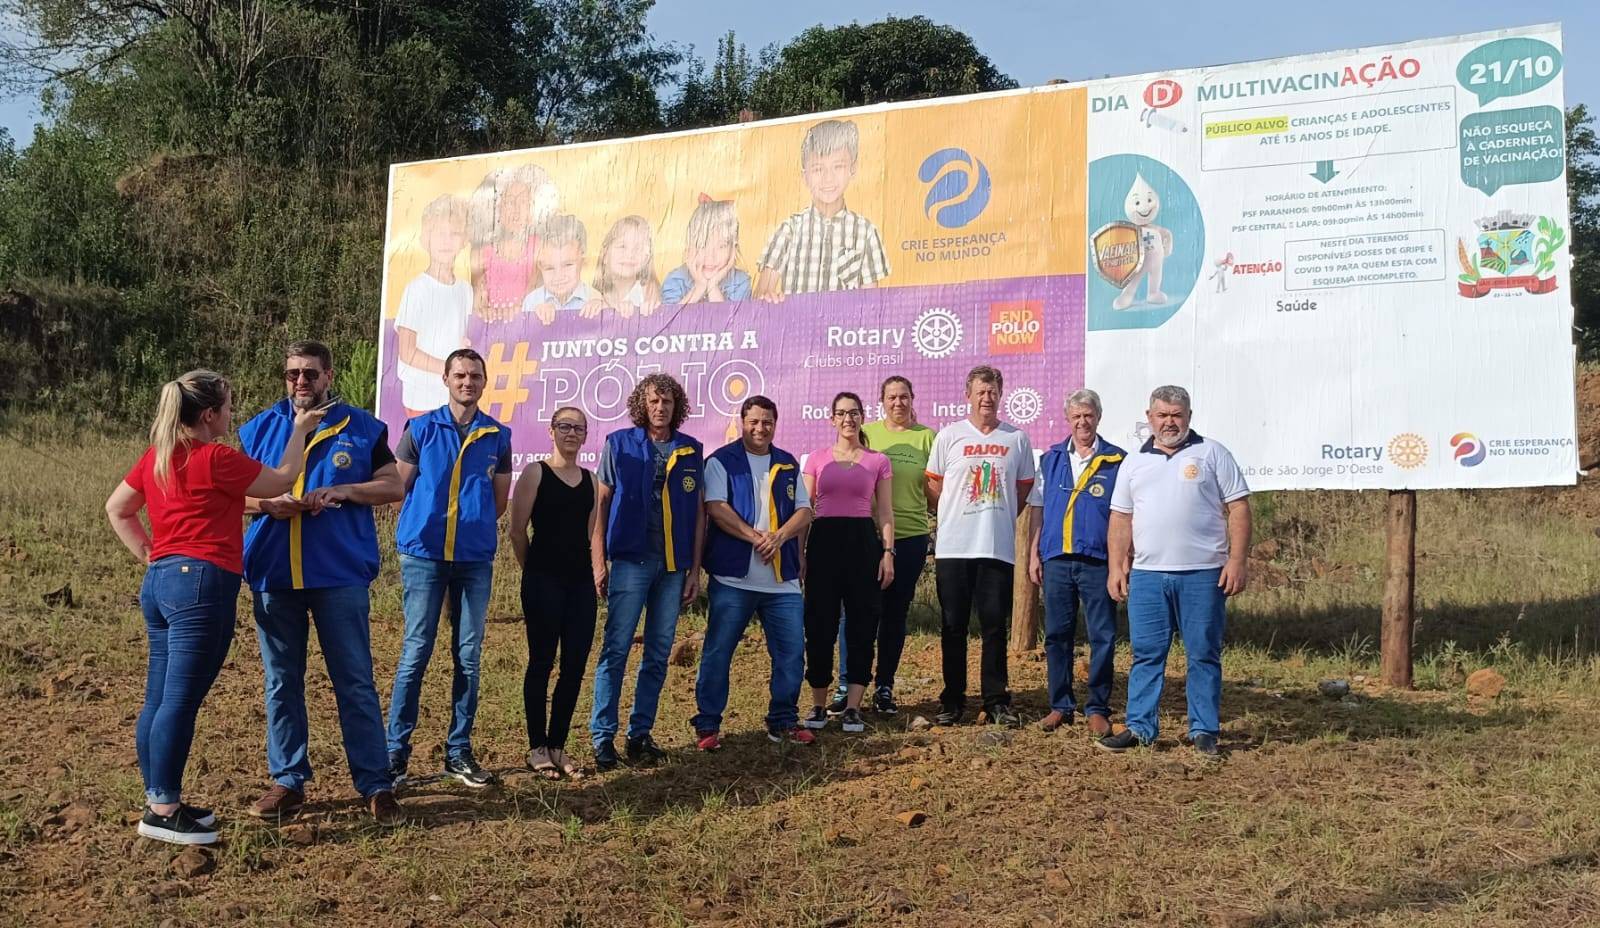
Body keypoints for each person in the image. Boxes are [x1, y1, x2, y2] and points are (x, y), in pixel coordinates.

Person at [106, 370, 324, 845]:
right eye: (226, 406)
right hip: (202, 584)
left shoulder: (159, 457)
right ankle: (163, 811)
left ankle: (159, 798)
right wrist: (300, 430)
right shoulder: (217, 457)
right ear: (208, 415)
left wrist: (151, 554)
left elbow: (117, 508)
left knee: (159, 698)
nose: (231, 413)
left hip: (161, 583)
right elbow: (282, 478)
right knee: (180, 701)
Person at [239, 341, 406, 826]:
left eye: (310, 373)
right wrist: (268, 505)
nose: (300, 382)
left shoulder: (364, 428)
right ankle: (288, 780)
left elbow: (394, 485)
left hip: (338, 573)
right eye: (292, 373)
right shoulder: (259, 428)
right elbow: (233, 495)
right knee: (281, 681)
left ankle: (375, 784)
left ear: (329, 376)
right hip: (274, 572)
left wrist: (344, 490)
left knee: (354, 681)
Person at [1098, 386, 1251, 759]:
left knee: (1203, 654)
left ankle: (1204, 730)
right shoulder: (1134, 462)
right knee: (1146, 654)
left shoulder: (1212, 453)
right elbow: (1120, 518)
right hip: (1148, 575)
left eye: (1177, 415)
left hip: (1203, 574)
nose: (1170, 422)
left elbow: (1240, 508)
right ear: (1149, 418)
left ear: (1189, 417)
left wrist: (1237, 560)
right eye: (1162, 415)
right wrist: (1116, 567)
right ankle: (1140, 728)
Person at [385, 348, 514, 788]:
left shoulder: (498, 435)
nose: (467, 382)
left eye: (475, 376)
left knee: (469, 657)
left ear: (484, 382)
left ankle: (458, 752)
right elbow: (398, 488)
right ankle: (395, 754)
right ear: (446, 380)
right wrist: (423, 523)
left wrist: (472, 525)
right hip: (423, 555)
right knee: (415, 652)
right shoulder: (420, 428)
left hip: (473, 559)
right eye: (460, 375)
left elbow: (499, 501)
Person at [590, 374, 705, 770]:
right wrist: (598, 560)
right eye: (654, 401)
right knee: (616, 649)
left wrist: (694, 569)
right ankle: (603, 737)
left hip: (672, 566)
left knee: (657, 654)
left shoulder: (691, 450)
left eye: (667, 402)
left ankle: (640, 734)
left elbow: (699, 514)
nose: (660, 408)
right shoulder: (619, 444)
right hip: (630, 562)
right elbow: (601, 504)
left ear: (677, 407)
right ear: (642, 404)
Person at [691, 395, 816, 750]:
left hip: (782, 581)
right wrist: (755, 537)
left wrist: (780, 537)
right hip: (733, 579)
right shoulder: (721, 461)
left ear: (775, 424)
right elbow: (716, 507)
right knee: (718, 652)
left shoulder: (787, 463)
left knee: (791, 654)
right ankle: (708, 725)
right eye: (754, 422)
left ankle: (783, 720)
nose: (761, 428)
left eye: (767, 422)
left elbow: (804, 510)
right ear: (742, 423)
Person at [926, 365, 1035, 727]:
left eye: (992, 392)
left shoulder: (1016, 438)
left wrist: (996, 514)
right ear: (967, 396)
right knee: (953, 625)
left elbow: (1022, 489)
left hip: (995, 546)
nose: (986, 398)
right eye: (980, 392)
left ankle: (996, 700)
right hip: (954, 548)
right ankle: (953, 700)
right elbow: (934, 486)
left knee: (993, 626)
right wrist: (958, 512)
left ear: (1000, 395)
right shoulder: (949, 436)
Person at [828, 376, 934, 717]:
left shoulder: (928, 438)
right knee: (854, 611)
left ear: (913, 398)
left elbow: (935, 491)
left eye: (904, 396)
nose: (898, 402)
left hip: (911, 536)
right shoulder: (867, 433)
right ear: (882, 402)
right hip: (868, 537)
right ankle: (846, 685)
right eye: (891, 397)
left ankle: (884, 686)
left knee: (894, 613)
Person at [1026, 388, 1125, 736]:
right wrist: (1034, 554)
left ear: (1098, 418)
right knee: (1057, 635)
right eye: (1076, 416)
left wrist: (1122, 561)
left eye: (1088, 415)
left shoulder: (1117, 461)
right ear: (1067, 419)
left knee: (1102, 635)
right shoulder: (1050, 459)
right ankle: (1060, 706)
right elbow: (1037, 510)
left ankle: (1097, 707)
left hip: (1099, 560)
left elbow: (1125, 515)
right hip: (1056, 559)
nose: (1083, 422)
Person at [508, 407, 598, 780]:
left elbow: (588, 534)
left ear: (585, 435)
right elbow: (516, 531)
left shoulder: (591, 480)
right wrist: (534, 570)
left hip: (581, 585)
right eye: (564, 426)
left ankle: (558, 745)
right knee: (541, 663)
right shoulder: (535, 473)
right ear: (551, 431)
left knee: (574, 666)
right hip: (543, 581)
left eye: (578, 428)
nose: (571, 433)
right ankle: (537, 748)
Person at [801, 391, 894, 734]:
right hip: (823, 543)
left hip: (862, 544)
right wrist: (799, 553)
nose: (848, 419)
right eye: (841, 413)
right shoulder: (816, 459)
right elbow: (805, 509)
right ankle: (818, 704)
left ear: (862, 417)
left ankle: (853, 707)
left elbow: (885, 512)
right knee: (819, 624)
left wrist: (888, 553)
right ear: (831, 419)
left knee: (862, 624)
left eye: (854, 413)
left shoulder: (878, 461)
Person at [755, 119, 890, 301]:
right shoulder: (789, 231)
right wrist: (768, 297)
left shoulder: (865, 232)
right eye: (818, 169)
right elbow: (761, 295)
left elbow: (871, 302)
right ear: (805, 176)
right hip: (797, 320)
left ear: (853, 169)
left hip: (844, 320)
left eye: (838, 167)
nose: (828, 178)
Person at [395, 195, 473, 417]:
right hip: (422, 399)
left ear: (464, 240)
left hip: (454, 399)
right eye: (439, 234)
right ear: (425, 239)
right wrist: (450, 368)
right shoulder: (416, 289)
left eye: (454, 234)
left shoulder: (465, 290)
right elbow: (407, 352)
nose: (446, 241)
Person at [470, 165, 559, 322]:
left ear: (531, 209)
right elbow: (478, 300)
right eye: (510, 201)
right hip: (492, 329)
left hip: (530, 327)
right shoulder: (480, 252)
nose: (516, 209)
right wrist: (486, 311)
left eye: (523, 202)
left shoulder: (540, 247)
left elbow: (536, 294)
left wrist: (518, 312)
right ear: (498, 208)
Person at [661, 197, 752, 304]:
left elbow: (726, 316)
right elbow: (674, 315)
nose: (710, 257)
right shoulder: (675, 280)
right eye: (702, 245)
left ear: (733, 249)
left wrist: (713, 286)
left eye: (721, 246)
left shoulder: (741, 282)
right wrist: (699, 287)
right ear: (689, 248)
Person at [523, 214, 602, 322]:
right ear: (540, 266)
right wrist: (535, 319)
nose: (558, 276)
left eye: (568, 265)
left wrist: (601, 312)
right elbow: (525, 331)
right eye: (549, 268)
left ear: (582, 261)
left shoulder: (594, 298)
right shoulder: (532, 301)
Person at [591, 215, 662, 317]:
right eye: (622, 246)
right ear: (605, 255)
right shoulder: (592, 295)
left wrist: (645, 310)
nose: (630, 254)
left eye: (638, 248)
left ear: (646, 258)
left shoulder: (648, 294)